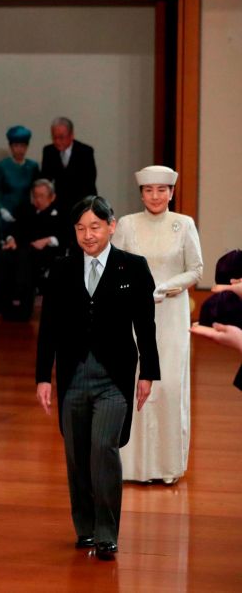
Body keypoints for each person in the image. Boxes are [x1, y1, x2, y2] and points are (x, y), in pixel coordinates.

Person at [36, 195, 160, 561]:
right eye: (80, 228)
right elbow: (49, 329)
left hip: (114, 377)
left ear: (112, 225)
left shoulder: (133, 268)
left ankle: (108, 533)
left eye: (95, 226)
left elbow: (146, 326)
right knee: (76, 456)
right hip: (73, 375)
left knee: (103, 450)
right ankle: (86, 528)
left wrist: (148, 373)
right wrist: (44, 376)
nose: (88, 235)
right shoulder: (61, 269)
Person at [112, 165, 203, 484]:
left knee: (168, 385)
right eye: (148, 190)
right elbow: (115, 265)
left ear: (171, 193)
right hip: (134, 314)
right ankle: (132, 464)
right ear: (141, 193)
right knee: (134, 379)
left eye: (161, 190)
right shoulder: (126, 224)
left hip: (171, 314)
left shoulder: (184, 224)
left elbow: (196, 269)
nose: (155, 196)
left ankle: (166, 466)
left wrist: (167, 285)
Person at [0, 179, 64, 321]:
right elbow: (13, 230)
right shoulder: (26, 210)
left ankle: (21, 304)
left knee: (25, 257)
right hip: (23, 249)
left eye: (42, 196)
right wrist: (11, 239)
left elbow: (66, 236)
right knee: (2, 256)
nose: (37, 199)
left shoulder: (60, 213)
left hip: (45, 252)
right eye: (35, 195)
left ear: (52, 197)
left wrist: (47, 240)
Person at [40, 116, 97, 230]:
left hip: (81, 203)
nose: (57, 141)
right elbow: (46, 180)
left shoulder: (85, 152)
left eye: (61, 137)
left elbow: (89, 181)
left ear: (71, 135)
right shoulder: (49, 151)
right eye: (54, 137)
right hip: (57, 205)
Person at [0, 125, 40, 245]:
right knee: (6, 243)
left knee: (24, 242)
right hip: (7, 210)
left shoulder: (32, 166)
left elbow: (38, 188)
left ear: (27, 147)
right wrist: (1, 208)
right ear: (11, 147)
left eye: (22, 146)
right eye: (16, 146)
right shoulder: (2, 166)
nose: (19, 149)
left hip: (25, 211)